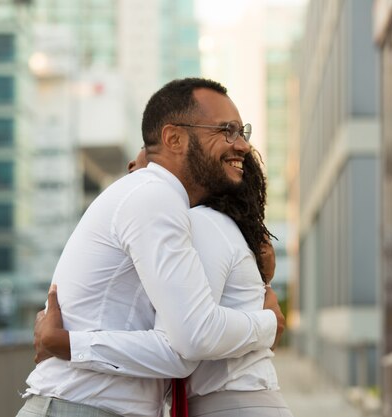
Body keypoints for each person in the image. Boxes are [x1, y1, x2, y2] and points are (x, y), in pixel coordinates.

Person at [16, 78, 285, 417]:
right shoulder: (154, 196)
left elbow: (184, 340)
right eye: (226, 131)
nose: (243, 146)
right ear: (174, 138)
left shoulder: (165, 203)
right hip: (79, 406)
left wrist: (68, 344)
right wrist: (267, 323)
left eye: (241, 132)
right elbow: (190, 342)